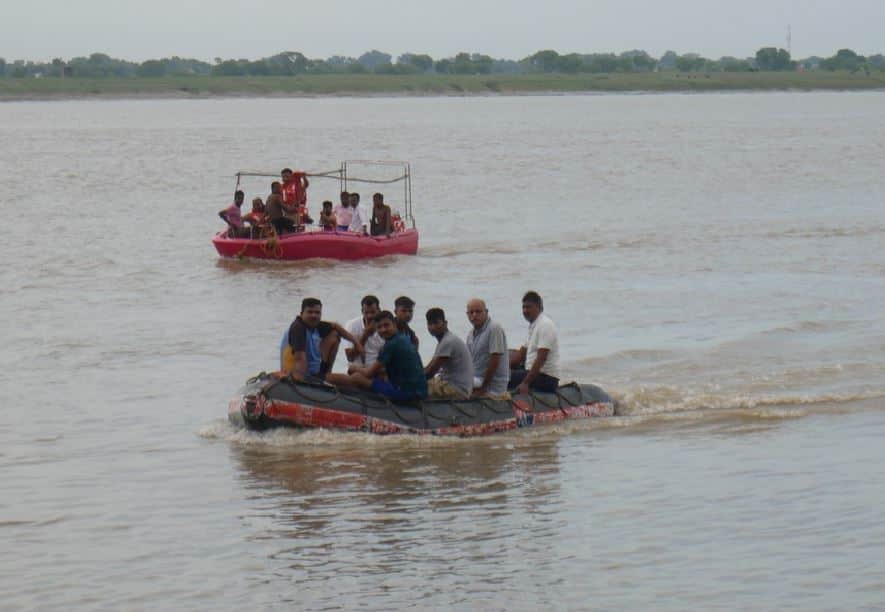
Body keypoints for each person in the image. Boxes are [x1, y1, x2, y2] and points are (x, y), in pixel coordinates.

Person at [326, 311, 427, 403]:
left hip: (407, 394)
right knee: (370, 376)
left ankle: (324, 379)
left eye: (386, 325)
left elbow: (369, 373)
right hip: (419, 390)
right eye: (379, 327)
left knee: (357, 377)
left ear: (394, 324)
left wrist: (353, 368)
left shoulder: (391, 344)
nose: (383, 330)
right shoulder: (403, 338)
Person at [281, 297, 363, 381]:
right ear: (301, 313)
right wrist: (300, 384)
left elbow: (336, 326)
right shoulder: (298, 328)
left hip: (314, 372)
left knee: (334, 334)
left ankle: (326, 372)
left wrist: (356, 342)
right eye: (310, 312)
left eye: (317, 313)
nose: (314, 315)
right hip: (297, 374)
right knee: (353, 380)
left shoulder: (315, 325)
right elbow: (300, 360)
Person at [509, 291, 561, 394]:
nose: (525, 310)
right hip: (534, 373)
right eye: (523, 307)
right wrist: (504, 367)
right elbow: (521, 354)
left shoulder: (545, 325)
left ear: (539, 307)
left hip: (546, 378)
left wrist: (525, 383)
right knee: (503, 374)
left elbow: (541, 359)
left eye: (529, 307)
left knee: (505, 378)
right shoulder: (533, 326)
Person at [424, 308, 474, 399]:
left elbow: (430, 372)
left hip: (459, 390)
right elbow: (430, 366)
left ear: (445, 323)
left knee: (420, 389)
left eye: (436, 323)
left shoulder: (448, 341)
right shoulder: (444, 341)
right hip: (452, 384)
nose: (433, 327)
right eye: (430, 324)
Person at [465, 298, 510, 399]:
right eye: (471, 312)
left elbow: (495, 361)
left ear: (486, 312)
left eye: (478, 311)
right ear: (467, 314)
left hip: (492, 386)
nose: (474, 315)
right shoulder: (470, 335)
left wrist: (482, 389)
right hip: (476, 379)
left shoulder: (494, 328)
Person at [344, 295, 385, 368]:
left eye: (373, 312)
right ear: (362, 311)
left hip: (377, 370)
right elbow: (350, 358)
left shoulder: (385, 327)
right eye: (366, 312)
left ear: (379, 311)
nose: (369, 316)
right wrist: (365, 335)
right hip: (357, 370)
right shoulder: (352, 325)